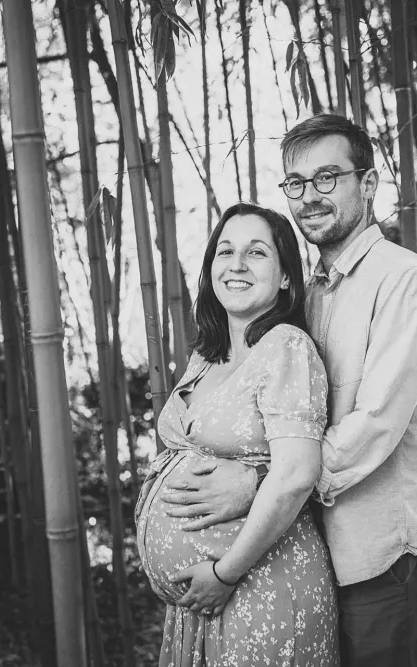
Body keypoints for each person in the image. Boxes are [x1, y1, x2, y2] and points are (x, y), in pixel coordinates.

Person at [161, 113, 417, 667]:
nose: (309, 197)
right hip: (309, 553)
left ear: (368, 183)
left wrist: (262, 483)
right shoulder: (307, 293)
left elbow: (374, 424)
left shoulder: (404, 281)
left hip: (379, 555)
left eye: (327, 178)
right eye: (296, 183)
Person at [134, 202, 339, 666]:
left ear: (285, 277)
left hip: (258, 589)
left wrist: (224, 573)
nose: (237, 264)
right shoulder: (207, 354)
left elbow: (296, 475)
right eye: (225, 251)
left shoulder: (285, 346)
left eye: (257, 252)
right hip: (202, 602)